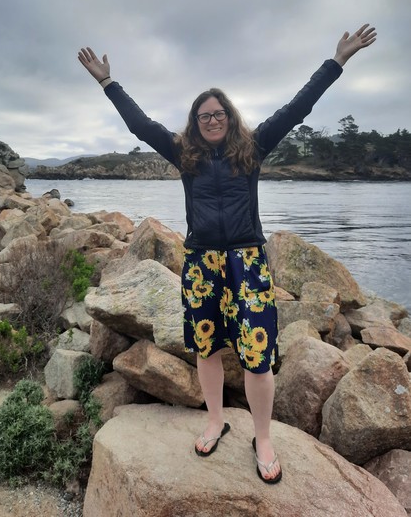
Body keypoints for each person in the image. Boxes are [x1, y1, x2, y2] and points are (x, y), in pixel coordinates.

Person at [78, 24, 376, 483]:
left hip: (248, 264)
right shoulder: (183, 154)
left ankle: (264, 437)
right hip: (201, 265)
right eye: (204, 116)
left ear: (230, 117)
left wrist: (337, 61)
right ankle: (215, 419)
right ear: (195, 123)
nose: (212, 120)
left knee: (257, 354)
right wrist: (107, 82)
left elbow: (299, 107)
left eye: (218, 113)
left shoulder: (252, 148)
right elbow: (139, 124)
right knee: (206, 347)